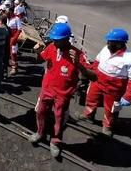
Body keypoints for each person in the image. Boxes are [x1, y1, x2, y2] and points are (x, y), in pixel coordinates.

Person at [29, 23, 97, 157]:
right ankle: (40, 133)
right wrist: (37, 52)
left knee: (59, 119)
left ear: (66, 39)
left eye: (56, 39)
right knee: (40, 113)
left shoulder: (78, 54)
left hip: (62, 94)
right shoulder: (51, 47)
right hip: (47, 90)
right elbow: (40, 59)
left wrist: (78, 65)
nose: (54, 41)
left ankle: (55, 141)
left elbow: (93, 77)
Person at [76, 28, 131, 137]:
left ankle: (107, 126)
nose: (107, 43)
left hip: (114, 89)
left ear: (119, 44)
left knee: (110, 109)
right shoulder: (105, 49)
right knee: (91, 99)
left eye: (110, 41)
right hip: (97, 81)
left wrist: (128, 97)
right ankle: (88, 115)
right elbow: (97, 62)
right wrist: (91, 71)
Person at [7, 6, 24, 75]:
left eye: (8, 11)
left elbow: (19, 29)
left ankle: (14, 67)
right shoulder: (8, 18)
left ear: (11, 11)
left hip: (13, 38)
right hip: (8, 37)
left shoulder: (17, 19)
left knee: (13, 53)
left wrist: (15, 38)